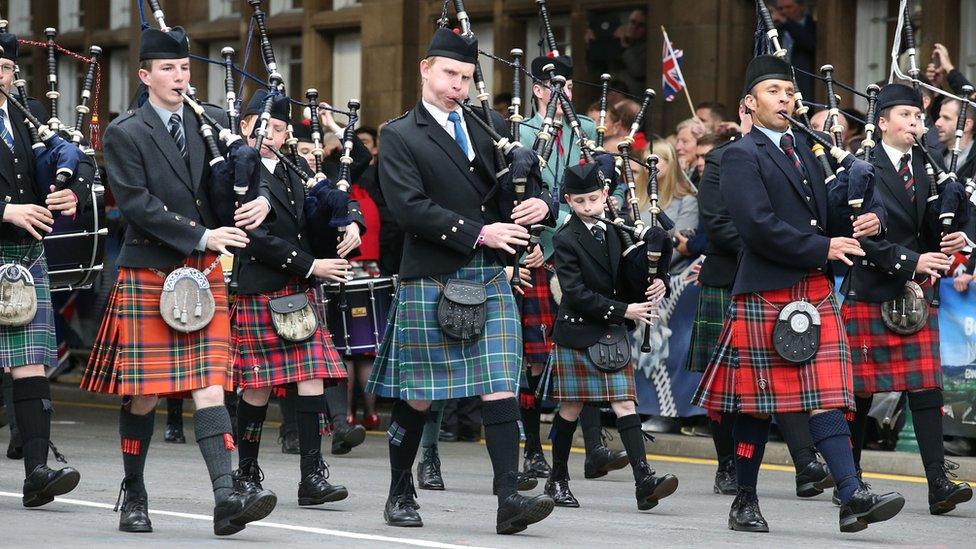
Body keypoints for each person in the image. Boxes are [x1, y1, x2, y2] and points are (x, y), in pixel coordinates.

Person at [693, 54, 904, 533]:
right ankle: (744, 499)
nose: (784, 99)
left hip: (810, 286)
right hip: (766, 288)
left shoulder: (803, 152)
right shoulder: (740, 156)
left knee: (829, 395)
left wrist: (867, 221)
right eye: (773, 92)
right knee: (756, 405)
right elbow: (757, 228)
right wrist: (824, 245)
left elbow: (827, 218)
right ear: (750, 103)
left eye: (788, 92)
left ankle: (852, 494)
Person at [80, 25, 277, 536]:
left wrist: (258, 203)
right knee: (143, 393)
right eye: (167, 68)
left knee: (211, 386)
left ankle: (225, 497)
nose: (179, 77)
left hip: (203, 271)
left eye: (185, 68)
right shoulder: (126, 132)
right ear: (145, 75)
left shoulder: (211, 123)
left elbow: (237, 186)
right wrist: (203, 236)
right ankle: (135, 493)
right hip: (152, 266)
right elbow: (137, 204)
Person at [366, 27, 555, 534]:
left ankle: (508, 498)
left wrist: (541, 205)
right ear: (426, 70)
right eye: (451, 74)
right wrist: (481, 232)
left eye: (467, 77)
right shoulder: (399, 134)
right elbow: (409, 208)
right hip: (433, 273)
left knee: (500, 385)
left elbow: (523, 185)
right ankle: (400, 488)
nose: (459, 86)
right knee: (419, 394)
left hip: (488, 274)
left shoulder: (489, 123)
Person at [687, 99, 833, 499]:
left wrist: (786, 252)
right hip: (731, 276)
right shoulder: (722, 159)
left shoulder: (799, 155)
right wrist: (768, 250)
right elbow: (718, 224)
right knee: (732, 388)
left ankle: (806, 464)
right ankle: (728, 465)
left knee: (784, 373)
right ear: (744, 108)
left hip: (781, 274)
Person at [229, 88, 368, 509]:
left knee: (310, 380)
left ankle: (312, 475)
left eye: (278, 127)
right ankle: (247, 474)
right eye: (262, 126)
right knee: (257, 387)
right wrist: (312, 266)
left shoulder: (293, 169)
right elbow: (255, 238)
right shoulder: (239, 170)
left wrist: (349, 223)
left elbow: (316, 219)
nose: (270, 134)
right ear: (244, 127)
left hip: (296, 290)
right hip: (261, 286)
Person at [839, 83, 973, 515]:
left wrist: (957, 234)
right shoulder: (861, 166)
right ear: (881, 123)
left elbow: (938, 223)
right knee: (860, 392)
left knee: (927, 386)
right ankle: (852, 480)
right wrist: (913, 261)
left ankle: (938, 483)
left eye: (918, 118)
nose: (915, 125)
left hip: (917, 292)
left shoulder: (929, 165)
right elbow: (862, 237)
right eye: (905, 117)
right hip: (874, 286)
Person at [515, 53, 631, 483]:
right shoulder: (522, 133)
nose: (558, 92)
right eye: (550, 85)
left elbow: (600, 186)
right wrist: (528, 244)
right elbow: (518, 192)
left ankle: (595, 447)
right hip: (535, 256)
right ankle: (531, 449)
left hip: (578, 253)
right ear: (537, 89)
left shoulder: (585, 129)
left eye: (565, 84)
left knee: (587, 349)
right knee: (533, 359)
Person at [539, 161, 679, 509]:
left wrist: (659, 280)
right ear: (569, 201)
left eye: (593, 199)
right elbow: (575, 293)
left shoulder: (618, 230)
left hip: (610, 332)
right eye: (580, 202)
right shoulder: (565, 238)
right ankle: (557, 478)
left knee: (624, 403)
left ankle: (644, 480)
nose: (588, 207)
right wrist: (624, 311)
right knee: (570, 407)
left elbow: (633, 276)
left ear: (604, 195)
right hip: (578, 331)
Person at [0, 29, 92, 508]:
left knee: (30, 363)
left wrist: (68, 187)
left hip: (20, 257)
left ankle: (36, 471)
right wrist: (5, 211)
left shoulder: (24, 114)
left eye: (6, 68)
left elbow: (70, 153)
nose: (0, 76)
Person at [773, 0, 816, 101]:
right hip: (779, 82)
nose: (784, 11)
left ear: (801, 7)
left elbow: (809, 43)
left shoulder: (813, 26)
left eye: (788, 7)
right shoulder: (778, 28)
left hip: (805, 86)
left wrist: (787, 23)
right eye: (780, 9)